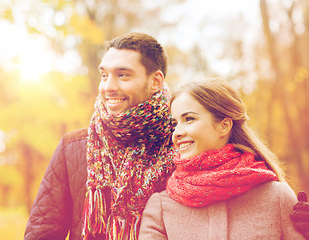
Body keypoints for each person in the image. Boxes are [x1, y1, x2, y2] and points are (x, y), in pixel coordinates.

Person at [24, 33, 309, 240]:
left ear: (155, 80)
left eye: (122, 75)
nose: (108, 86)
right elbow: (42, 232)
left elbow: (228, 202)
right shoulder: (75, 148)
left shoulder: (186, 148)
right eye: (104, 75)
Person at [138, 79, 306, 240]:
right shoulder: (160, 208)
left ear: (224, 126)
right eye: (175, 123)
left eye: (189, 119)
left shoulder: (276, 197)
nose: (177, 133)